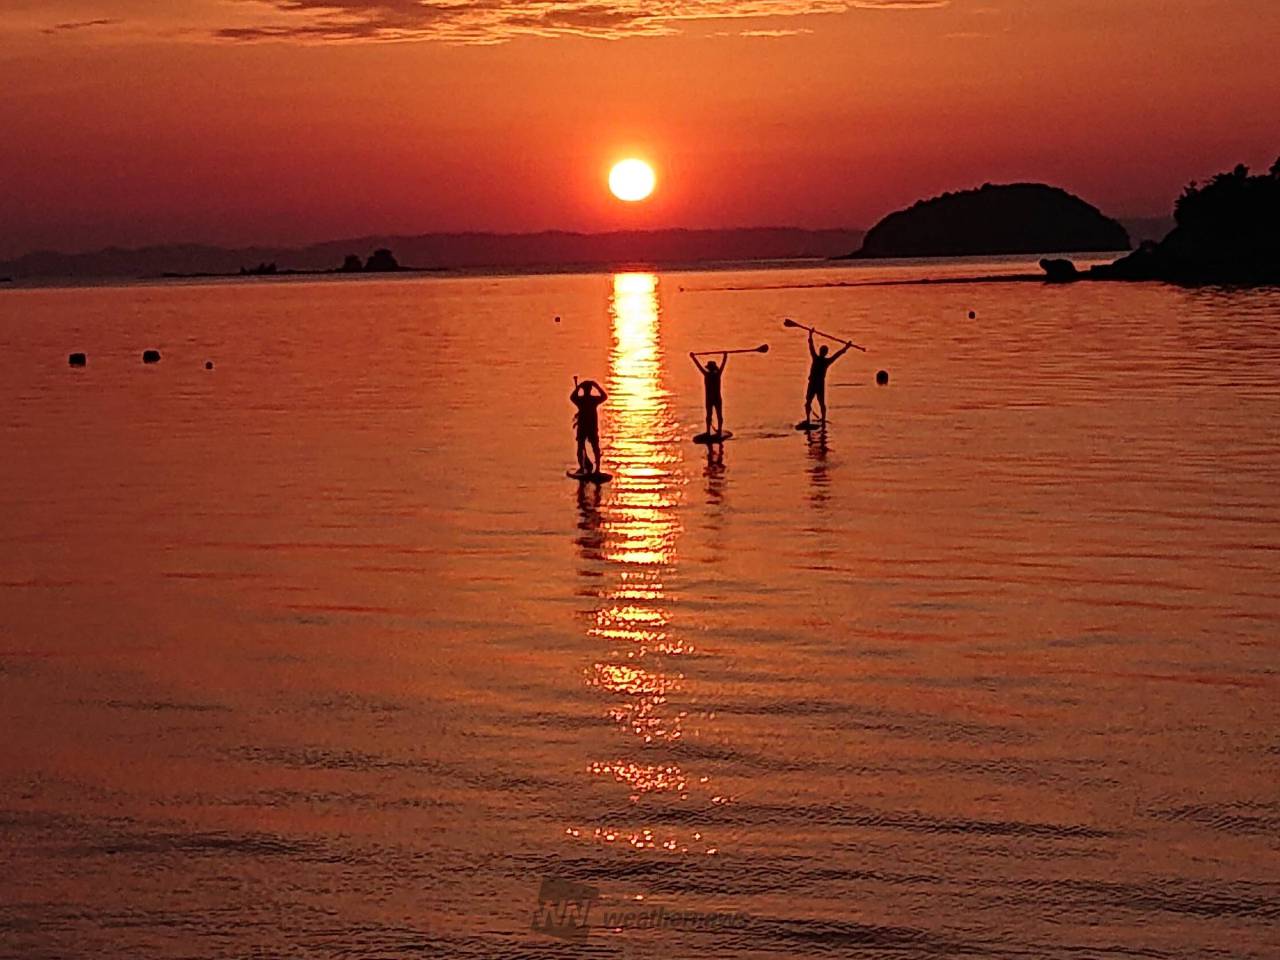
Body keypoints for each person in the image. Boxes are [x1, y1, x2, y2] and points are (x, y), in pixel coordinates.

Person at [805, 330, 853, 423]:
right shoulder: (822, 360)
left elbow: (811, 347)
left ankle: (819, 419)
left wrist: (846, 347)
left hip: (817, 384)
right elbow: (837, 354)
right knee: (811, 402)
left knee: (816, 403)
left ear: (823, 352)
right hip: (815, 384)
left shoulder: (821, 360)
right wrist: (846, 347)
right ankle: (814, 419)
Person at [570, 379, 607, 473]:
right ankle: (587, 468)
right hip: (585, 427)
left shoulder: (584, 400)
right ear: (590, 389)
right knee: (585, 447)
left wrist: (579, 387)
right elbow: (604, 396)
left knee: (590, 447)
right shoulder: (587, 400)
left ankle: (593, 469)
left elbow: (573, 397)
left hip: (589, 427)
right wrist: (596, 386)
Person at [690, 352, 727, 436]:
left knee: (711, 415)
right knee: (717, 415)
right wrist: (725, 356)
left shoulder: (708, 375)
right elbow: (723, 364)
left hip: (711, 399)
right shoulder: (717, 374)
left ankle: (709, 432)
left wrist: (693, 358)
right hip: (715, 398)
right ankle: (717, 431)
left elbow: (698, 366)